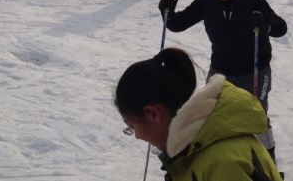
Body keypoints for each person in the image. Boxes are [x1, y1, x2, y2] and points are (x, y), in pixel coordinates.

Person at [159, 0, 287, 159]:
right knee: (210, 115)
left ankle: (268, 163)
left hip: (254, 70)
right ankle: (221, 161)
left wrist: (265, 25)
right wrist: (167, 11)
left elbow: (281, 28)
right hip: (221, 69)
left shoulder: (252, 0)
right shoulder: (207, 0)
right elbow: (178, 24)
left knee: (256, 117)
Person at [114, 47, 283, 181]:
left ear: (153, 114)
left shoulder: (221, 164)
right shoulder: (193, 150)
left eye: (132, 126)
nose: (136, 136)